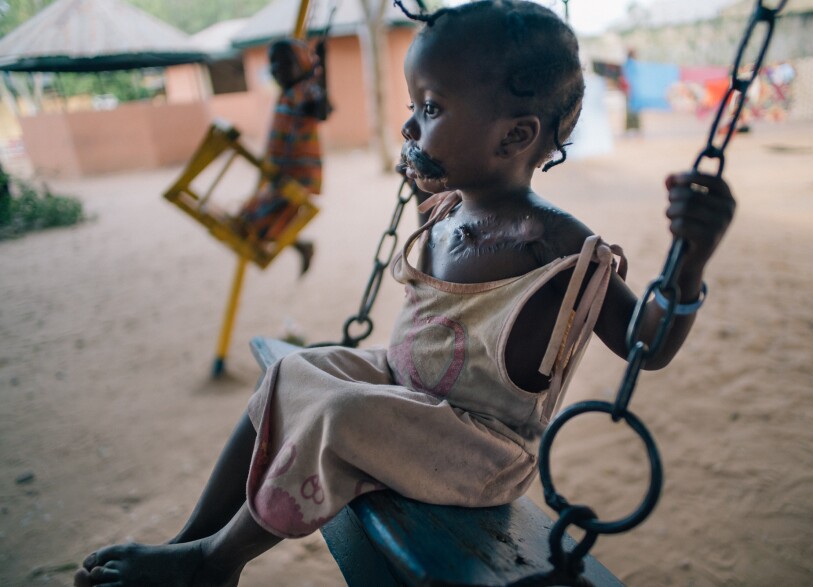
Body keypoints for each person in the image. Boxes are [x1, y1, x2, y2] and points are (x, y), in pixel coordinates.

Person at [73, 2, 735, 585]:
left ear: (514, 136)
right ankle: (190, 540)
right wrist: (427, 172)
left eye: (432, 108)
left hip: (478, 450)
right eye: (415, 106)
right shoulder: (447, 210)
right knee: (292, 371)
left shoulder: (560, 247)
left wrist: (689, 259)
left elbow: (645, 344)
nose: (411, 125)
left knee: (345, 413)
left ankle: (217, 561)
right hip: (402, 387)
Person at [235, 38, 326, 274]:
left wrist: (323, 66)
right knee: (261, 217)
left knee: (252, 219)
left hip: (298, 176)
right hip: (283, 173)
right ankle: (300, 246)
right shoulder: (288, 93)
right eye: (273, 64)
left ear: (301, 64)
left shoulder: (305, 91)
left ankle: (301, 246)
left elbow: (321, 108)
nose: (276, 70)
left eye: (283, 64)